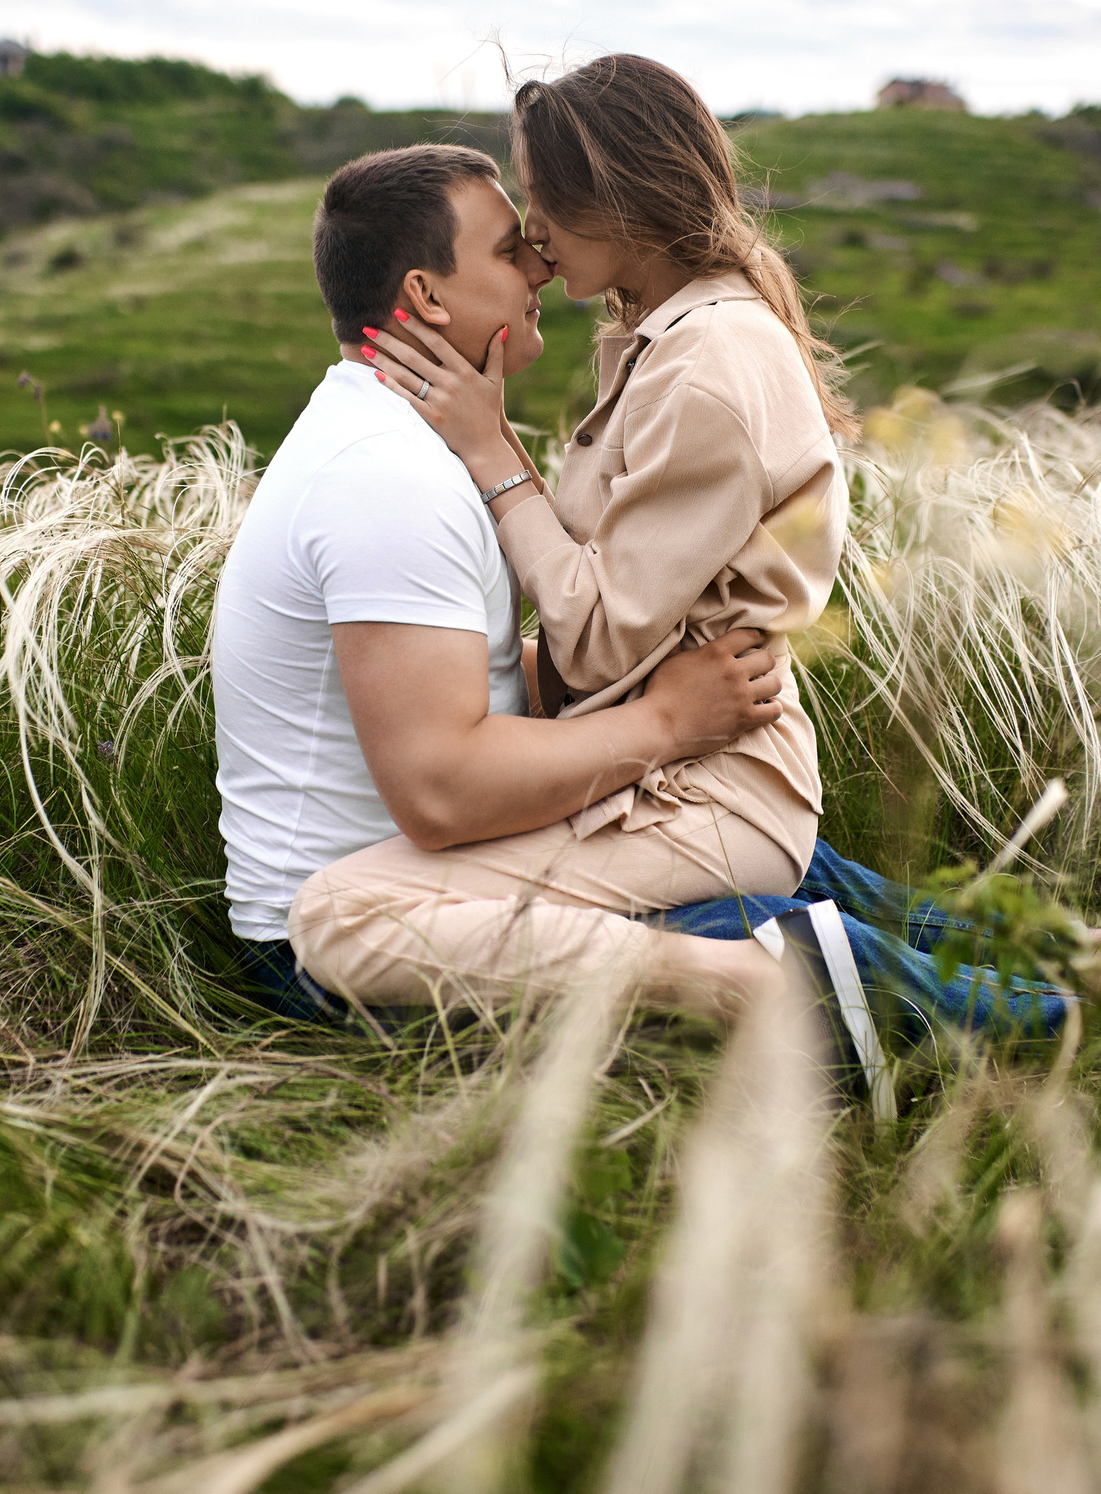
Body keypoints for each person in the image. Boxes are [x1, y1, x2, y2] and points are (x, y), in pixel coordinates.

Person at [306, 54, 856, 1015]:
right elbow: (616, 599)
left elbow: (600, 639)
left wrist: (492, 451)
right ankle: (1066, 968)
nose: (535, 234)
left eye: (543, 200)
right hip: (681, 764)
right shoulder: (672, 338)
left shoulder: (705, 364)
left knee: (345, 914)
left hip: (701, 786)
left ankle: (766, 993)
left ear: (619, 197)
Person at [212, 142, 789, 1021]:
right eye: (509, 250)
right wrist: (668, 721)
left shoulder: (398, 436)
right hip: (361, 940)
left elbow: (447, 670)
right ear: (426, 296)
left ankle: (1014, 962)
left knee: (796, 874)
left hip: (443, 877)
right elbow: (442, 788)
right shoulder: (385, 478)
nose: (540, 270)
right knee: (783, 926)